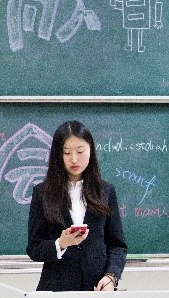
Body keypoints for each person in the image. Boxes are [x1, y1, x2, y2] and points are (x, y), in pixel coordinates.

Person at [26, 120, 127, 291]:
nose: (74, 159)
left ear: (90, 150)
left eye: (80, 151)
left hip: (97, 289)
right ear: (58, 155)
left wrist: (111, 277)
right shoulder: (42, 193)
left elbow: (117, 245)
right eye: (66, 153)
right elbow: (34, 248)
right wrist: (61, 243)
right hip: (57, 289)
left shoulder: (106, 191)